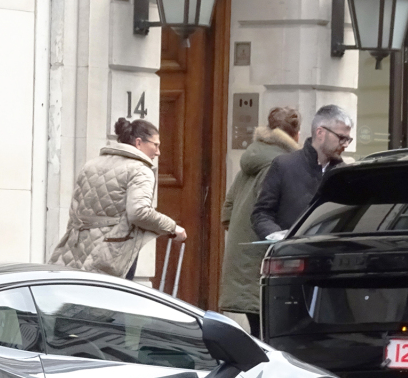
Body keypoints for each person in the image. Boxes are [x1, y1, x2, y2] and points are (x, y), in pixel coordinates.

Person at [50, 117, 186, 280]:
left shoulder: (91, 164)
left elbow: (75, 211)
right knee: (112, 302)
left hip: (77, 250)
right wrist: (172, 227)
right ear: (138, 142)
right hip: (112, 253)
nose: (158, 152)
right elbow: (139, 213)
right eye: (155, 145)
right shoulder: (140, 170)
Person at [219, 106, 301, 334]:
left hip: (242, 257)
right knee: (271, 337)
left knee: (258, 331)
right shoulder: (284, 165)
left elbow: (226, 212)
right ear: (296, 135)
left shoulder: (250, 160)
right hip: (264, 259)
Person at [250, 104, 352, 241]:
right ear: (320, 133)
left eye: (348, 139)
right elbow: (261, 214)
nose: (345, 144)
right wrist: (279, 238)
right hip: (290, 257)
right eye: (341, 138)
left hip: (330, 255)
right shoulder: (284, 165)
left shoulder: (344, 174)